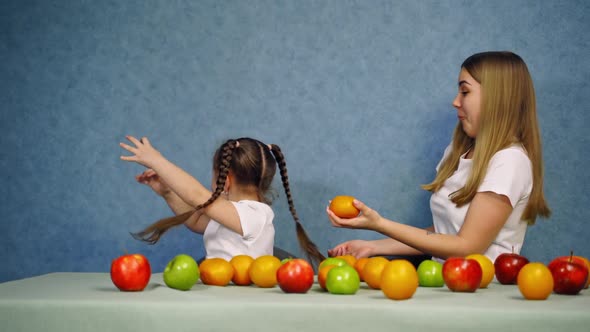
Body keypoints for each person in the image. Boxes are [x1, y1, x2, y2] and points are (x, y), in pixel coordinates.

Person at [327, 51, 551, 264]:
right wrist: (374, 247)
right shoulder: (457, 152)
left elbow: (466, 246)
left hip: (482, 294)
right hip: (445, 284)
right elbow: (444, 234)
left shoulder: (509, 162)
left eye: (465, 92)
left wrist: (379, 224)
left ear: (497, 99)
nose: (456, 101)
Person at [119, 136, 325, 266]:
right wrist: (167, 192)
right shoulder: (230, 214)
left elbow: (197, 196)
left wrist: (158, 161)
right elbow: (195, 221)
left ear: (224, 181)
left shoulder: (255, 215)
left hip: (244, 306)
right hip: (220, 296)